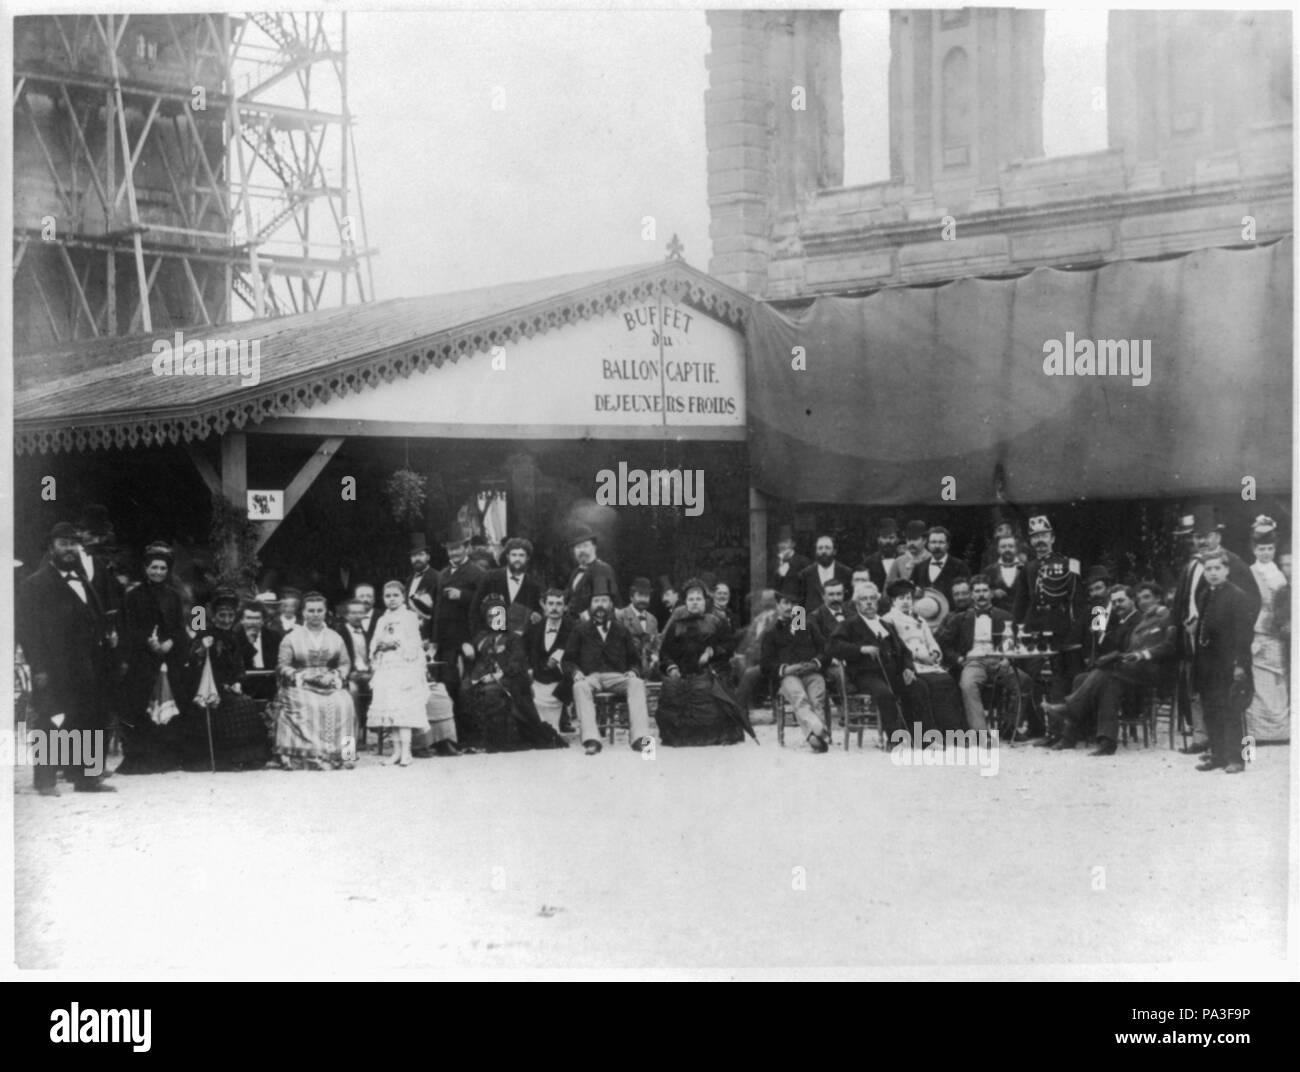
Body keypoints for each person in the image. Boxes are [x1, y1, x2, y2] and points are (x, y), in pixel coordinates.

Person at [16, 522, 117, 794]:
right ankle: (45, 781)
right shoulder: (34, 585)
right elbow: (28, 631)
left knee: (89, 716)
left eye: (73, 544)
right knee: (51, 718)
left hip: (88, 663)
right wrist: (38, 667)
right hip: (53, 665)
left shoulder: (83, 580)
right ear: (51, 548)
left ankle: (86, 777)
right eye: (63, 543)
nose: (69, 549)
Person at [1042, 583, 1174, 755]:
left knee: (1105, 673)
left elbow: (1169, 646)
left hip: (1149, 672)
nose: (1143, 601)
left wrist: (1141, 655)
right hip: (1129, 672)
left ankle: (1070, 710)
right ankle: (1102, 741)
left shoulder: (1163, 617)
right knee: (1097, 680)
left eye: (1147, 597)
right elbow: (1121, 647)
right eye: (1140, 598)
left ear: (1158, 598)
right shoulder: (1134, 619)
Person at [118, 541, 189, 774]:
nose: (158, 572)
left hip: (168, 658)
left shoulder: (174, 596)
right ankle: (140, 759)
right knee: (141, 704)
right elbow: (127, 627)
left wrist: (169, 643)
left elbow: (181, 626)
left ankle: (166, 757)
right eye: (153, 567)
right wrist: (148, 643)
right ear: (146, 568)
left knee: (170, 703)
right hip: (143, 658)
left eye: (162, 568)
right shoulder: (133, 596)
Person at [180, 588, 271, 771]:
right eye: (222, 615)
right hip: (208, 687)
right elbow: (193, 661)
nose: (227, 620)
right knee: (237, 705)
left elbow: (239, 666)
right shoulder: (204, 632)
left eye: (230, 615)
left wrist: (237, 682)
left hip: (230, 686)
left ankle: (244, 757)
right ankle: (226, 758)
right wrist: (203, 649)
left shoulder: (234, 636)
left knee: (245, 703)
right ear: (213, 616)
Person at [656, 578, 751, 747]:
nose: (694, 603)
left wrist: (712, 651)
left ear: (705, 601)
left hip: (710, 670)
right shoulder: (676, 625)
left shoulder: (716, 621)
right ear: (685, 602)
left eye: (698, 599)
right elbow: (665, 652)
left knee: (707, 690)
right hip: (682, 673)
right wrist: (671, 667)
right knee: (672, 691)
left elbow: (728, 645)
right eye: (691, 599)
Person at [464, 596, 567, 752]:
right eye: (492, 616)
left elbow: (517, 662)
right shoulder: (481, 638)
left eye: (499, 615)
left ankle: (499, 739)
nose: (495, 619)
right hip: (483, 678)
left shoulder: (513, 638)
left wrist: (497, 675)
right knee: (464, 690)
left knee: (492, 692)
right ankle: (477, 738)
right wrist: (467, 648)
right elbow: (475, 659)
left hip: (510, 680)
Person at [563, 578, 653, 754]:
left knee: (637, 683)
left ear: (611, 604)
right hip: (591, 677)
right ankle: (591, 740)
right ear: (590, 605)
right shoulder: (580, 630)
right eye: (596, 601)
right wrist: (575, 672)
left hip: (617, 677)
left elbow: (634, 660)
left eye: (604, 601)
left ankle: (641, 739)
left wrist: (634, 671)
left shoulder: (621, 630)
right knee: (579, 686)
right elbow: (567, 660)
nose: (600, 605)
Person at [828, 581, 926, 741]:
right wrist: (860, 649)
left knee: (918, 686)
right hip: (865, 675)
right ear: (857, 604)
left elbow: (904, 651)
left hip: (893, 673)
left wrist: (908, 668)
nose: (868, 602)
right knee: (884, 694)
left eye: (872, 598)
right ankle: (896, 740)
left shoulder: (885, 624)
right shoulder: (849, 625)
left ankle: (922, 737)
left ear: (877, 602)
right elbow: (833, 646)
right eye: (863, 599)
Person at [271, 592, 357, 771]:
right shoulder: (291, 637)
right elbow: (282, 665)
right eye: (311, 610)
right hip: (301, 684)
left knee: (345, 703)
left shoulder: (335, 636)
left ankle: (346, 753)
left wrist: (336, 676)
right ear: (303, 612)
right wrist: (300, 675)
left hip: (328, 682)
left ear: (325, 612)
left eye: (319, 610)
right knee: (310, 705)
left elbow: (345, 663)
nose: (315, 614)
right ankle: (312, 755)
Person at [1011, 513, 1086, 716]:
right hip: (1035, 628)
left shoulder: (1070, 564)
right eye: (1035, 537)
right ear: (1031, 541)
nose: (1040, 541)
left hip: (1061, 627)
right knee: (1033, 675)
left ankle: (1062, 726)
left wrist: (1076, 631)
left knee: (1061, 676)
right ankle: (1040, 728)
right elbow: (1021, 602)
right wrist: (1016, 629)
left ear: (1052, 538)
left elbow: (1078, 601)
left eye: (1044, 535)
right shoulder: (1028, 567)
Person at [1190, 550, 1255, 773]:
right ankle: (1217, 755)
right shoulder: (1206, 595)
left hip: (1229, 664)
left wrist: (1240, 664)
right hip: (1208, 664)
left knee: (1231, 709)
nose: (1213, 573)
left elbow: (1244, 634)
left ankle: (1236, 759)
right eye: (1208, 569)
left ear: (1226, 570)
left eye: (1218, 568)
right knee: (1211, 710)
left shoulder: (1237, 596)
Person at [942, 578, 1029, 734]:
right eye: (977, 591)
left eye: (984, 591)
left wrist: (1007, 659)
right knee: (967, 685)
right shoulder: (960, 619)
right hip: (973, 662)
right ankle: (980, 733)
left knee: (1023, 681)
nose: (981, 595)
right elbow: (944, 644)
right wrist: (959, 659)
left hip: (999, 661)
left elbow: (1016, 643)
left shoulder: (1005, 617)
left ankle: (1010, 729)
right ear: (972, 595)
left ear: (990, 593)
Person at [884, 579, 964, 733]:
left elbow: (931, 641)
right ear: (893, 601)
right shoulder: (889, 619)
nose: (906, 602)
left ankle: (952, 731)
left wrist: (934, 653)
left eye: (909, 598)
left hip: (928, 662)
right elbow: (898, 647)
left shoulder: (920, 619)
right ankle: (931, 733)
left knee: (948, 681)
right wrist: (921, 656)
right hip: (909, 664)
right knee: (931, 684)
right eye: (901, 599)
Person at [761, 578, 832, 752]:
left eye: (793, 604)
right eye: (785, 603)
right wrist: (785, 669)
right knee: (799, 697)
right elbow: (765, 665)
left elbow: (825, 651)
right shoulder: (771, 633)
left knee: (817, 698)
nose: (789, 607)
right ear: (778, 605)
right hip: (788, 676)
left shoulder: (807, 626)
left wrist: (815, 663)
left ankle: (814, 738)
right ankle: (818, 729)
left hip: (810, 672)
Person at [367, 582, 432, 766]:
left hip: (403, 669)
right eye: (387, 596)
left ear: (403, 596)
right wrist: (377, 647)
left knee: (403, 711)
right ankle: (396, 752)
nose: (391, 599)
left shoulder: (410, 617)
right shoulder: (381, 619)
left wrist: (395, 643)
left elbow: (414, 643)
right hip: (386, 668)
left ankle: (406, 752)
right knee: (391, 712)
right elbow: (374, 642)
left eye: (395, 595)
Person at [1244, 518, 1289, 743]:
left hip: (1278, 631)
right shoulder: (1251, 572)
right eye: (1262, 549)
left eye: (1270, 548)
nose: (1266, 553)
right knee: (1261, 682)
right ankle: (1261, 732)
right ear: (1254, 549)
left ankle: (1281, 730)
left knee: (1278, 680)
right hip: (1259, 629)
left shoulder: (1278, 572)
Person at [526, 588, 576, 730]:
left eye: (559, 604)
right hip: (538, 678)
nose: (554, 608)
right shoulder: (534, 629)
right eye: (551, 603)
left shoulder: (574, 628)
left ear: (565, 607)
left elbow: (579, 654)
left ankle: (562, 718)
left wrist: (561, 656)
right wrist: (529, 670)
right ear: (544, 605)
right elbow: (522, 651)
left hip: (562, 680)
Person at [469, 536, 543, 626]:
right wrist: (479, 636)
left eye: (521, 555)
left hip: (520, 637)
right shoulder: (491, 578)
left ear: (527, 558)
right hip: (492, 635)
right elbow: (475, 609)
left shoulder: (533, 585)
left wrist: (536, 616)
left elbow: (538, 612)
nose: (517, 559)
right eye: (514, 555)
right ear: (507, 556)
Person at [337, 598, 376, 751]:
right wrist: (349, 673)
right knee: (352, 692)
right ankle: (351, 741)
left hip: (368, 674)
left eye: (361, 612)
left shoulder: (368, 633)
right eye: (353, 612)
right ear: (346, 615)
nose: (357, 616)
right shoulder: (339, 633)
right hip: (349, 676)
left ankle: (393, 737)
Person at [233, 601, 281, 703]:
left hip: (269, 683)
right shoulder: (234, 638)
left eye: (257, 618)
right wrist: (249, 643)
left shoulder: (274, 637)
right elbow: (236, 665)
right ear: (242, 620)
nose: (253, 622)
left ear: (263, 620)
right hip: (244, 685)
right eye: (249, 618)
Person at [566, 532, 619, 619]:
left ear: (594, 548)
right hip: (574, 623)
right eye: (578, 547)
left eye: (585, 546)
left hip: (594, 622)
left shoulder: (602, 569)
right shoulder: (575, 572)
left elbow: (605, 601)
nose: (581, 550)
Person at [615, 577, 661, 677]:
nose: (643, 600)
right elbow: (617, 646)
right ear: (631, 597)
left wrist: (655, 657)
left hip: (649, 671)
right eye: (640, 595)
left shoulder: (653, 620)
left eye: (646, 596)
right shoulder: (620, 616)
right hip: (626, 670)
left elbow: (656, 646)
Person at [798, 535, 853, 612]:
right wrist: (797, 624)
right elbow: (798, 603)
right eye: (820, 548)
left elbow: (850, 602)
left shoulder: (846, 573)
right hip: (811, 622)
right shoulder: (805, 574)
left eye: (827, 548)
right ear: (816, 551)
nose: (823, 551)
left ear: (834, 551)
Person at [917, 526, 970, 602]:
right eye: (933, 542)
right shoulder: (919, 568)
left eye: (941, 542)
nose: (937, 546)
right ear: (928, 545)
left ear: (948, 545)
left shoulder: (960, 566)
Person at [404, 534, 439, 640]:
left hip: (428, 635)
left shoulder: (437, 577)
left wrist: (433, 639)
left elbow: (438, 613)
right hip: (409, 634)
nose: (417, 558)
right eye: (414, 555)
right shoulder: (409, 580)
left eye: (421, 554)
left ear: (428, 557)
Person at [982, 530, 1022, 612]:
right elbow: (981, 592)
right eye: (1003, 547)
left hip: (1022, 615)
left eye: (1010, 546)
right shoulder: (989, 570)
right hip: (997, 616)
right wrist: (993, 593)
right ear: (998, 550)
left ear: (1016, 549)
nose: (1007, 549)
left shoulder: (1026, 569)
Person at [859, 518, 900, 594]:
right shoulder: (868, 563)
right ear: (878, 540)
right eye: (884, 538)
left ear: (897, 539)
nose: (888, 541)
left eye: (891, 537)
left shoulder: (904, 560)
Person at [771, 525, 811, 596]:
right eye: (780, 542)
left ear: (793, 544)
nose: (782, 545)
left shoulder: (804, 562)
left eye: (786, 542)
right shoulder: (774, 563)